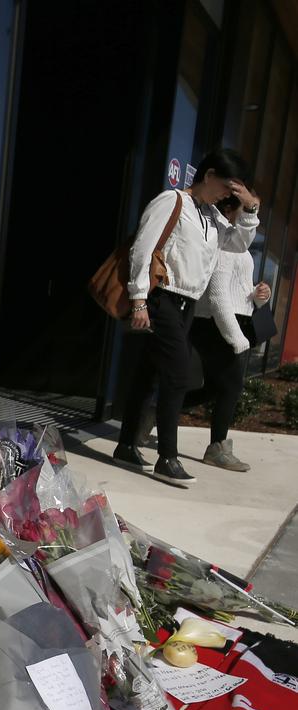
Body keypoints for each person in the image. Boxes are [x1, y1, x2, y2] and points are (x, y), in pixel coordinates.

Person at [113, 148, 260, 487]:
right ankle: (167, 457)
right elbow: (144, 249)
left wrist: (250, 208)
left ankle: (125, 445)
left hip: (187, 305)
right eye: (227, 186)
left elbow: (238, 244)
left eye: (234, 191)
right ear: (208, 175)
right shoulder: (172, 201)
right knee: (178, 374)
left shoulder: (210, 215)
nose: (228, 194)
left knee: (148, 372)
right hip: (162, 297)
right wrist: (138, 300)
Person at [189, 194, 271, 471]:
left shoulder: (238, 247)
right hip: (217, 324)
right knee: (232, 385)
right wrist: (237, 339)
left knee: (215, 386)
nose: (251, 221)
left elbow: (237, 292)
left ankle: (156, 409)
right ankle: (217, 448)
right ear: (228, 211)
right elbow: (217, 296)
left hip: (227, 321)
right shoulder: (224, 246)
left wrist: (259, 296)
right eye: (246, 212)